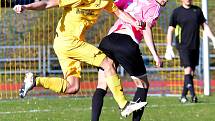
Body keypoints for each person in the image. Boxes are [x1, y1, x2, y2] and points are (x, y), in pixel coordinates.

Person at [13, 0, 148, 116]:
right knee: (108, 64)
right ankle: (124, 105)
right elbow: (47, 3)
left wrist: (135, 22)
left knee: (72, 87)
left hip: (63, 44)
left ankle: (36, 80)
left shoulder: (103, 1)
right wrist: (26, 7)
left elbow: (119, 12)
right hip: (68, 42)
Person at [91, 0, 167, 120]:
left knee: (101, 85)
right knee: (143, 85)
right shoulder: (154, 7)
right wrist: (155, 55)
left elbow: (115, 6)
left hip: (107, 41)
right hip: (126, 43)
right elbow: (146, 28)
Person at [165, 0, 215, 103]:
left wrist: (213, 38)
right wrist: (168, 46)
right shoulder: (177, 12)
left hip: (195, 46)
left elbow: (204, 26)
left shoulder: (197, 11)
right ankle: (193, 95)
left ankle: (183, 96)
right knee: (187, 69)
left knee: (191, 72)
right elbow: (170, 29)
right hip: (183, 46)